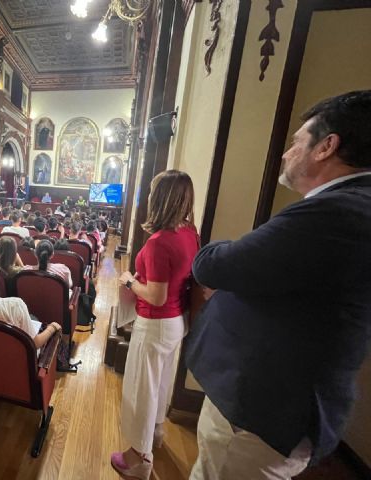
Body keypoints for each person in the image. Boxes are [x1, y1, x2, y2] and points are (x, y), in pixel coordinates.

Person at [186, 91, 371, 479]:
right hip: (268, 403)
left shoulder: (336, 212)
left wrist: (226, 258)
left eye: (296, 142)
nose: (287, 153)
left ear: (327, 146)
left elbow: (213, 265)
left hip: (260, 409)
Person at [111, 170, 198, 480]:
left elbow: (156, 296)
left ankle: (137, 458)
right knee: (160, 383)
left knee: (141, 389)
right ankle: (156, 434)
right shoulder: (190, 232)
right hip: (176, 322)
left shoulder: (161, 242)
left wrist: (130, 281)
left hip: (157, 322)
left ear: (160, 198)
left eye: (151, 192)